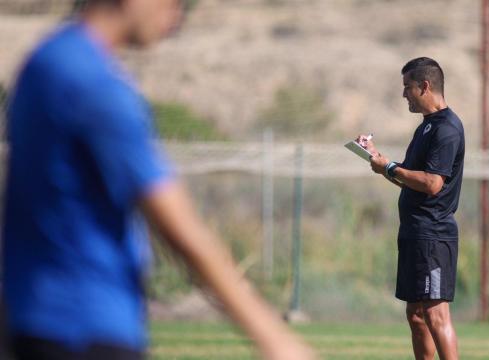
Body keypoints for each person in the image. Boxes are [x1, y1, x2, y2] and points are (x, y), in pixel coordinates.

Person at [1, 0, 315, 359]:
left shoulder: (43, 62)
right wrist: (276, 341)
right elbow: (179, 229)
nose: (177, 17)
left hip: (32, 316)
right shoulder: (96, 86)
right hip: (86, 328)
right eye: (175, 3)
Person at [357, 57, 464, 360]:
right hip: (415, 232)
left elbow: (432, 184)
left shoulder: (448, 129)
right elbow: (411, 180)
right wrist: (379, 161)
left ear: (425, 86)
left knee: (435, 314)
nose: (404, 94)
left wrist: (389, 166)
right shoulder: (427, 128)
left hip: (433, 234)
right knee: (416, 314)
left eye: (408, 87)